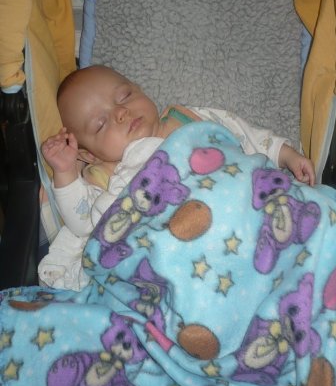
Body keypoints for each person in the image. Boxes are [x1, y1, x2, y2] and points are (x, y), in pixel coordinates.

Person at [39, 65, 315, 288]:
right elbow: (83, 225)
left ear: (140, 89)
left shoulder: (184, 119)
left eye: (124, 96)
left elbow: (240, 132)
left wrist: (285, 154)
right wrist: (65, 173)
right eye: (101, 124)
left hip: (241, 215)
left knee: (308, 214)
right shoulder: (105, 174)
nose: (121, 113)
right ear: (89, 155)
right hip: (183, 257)